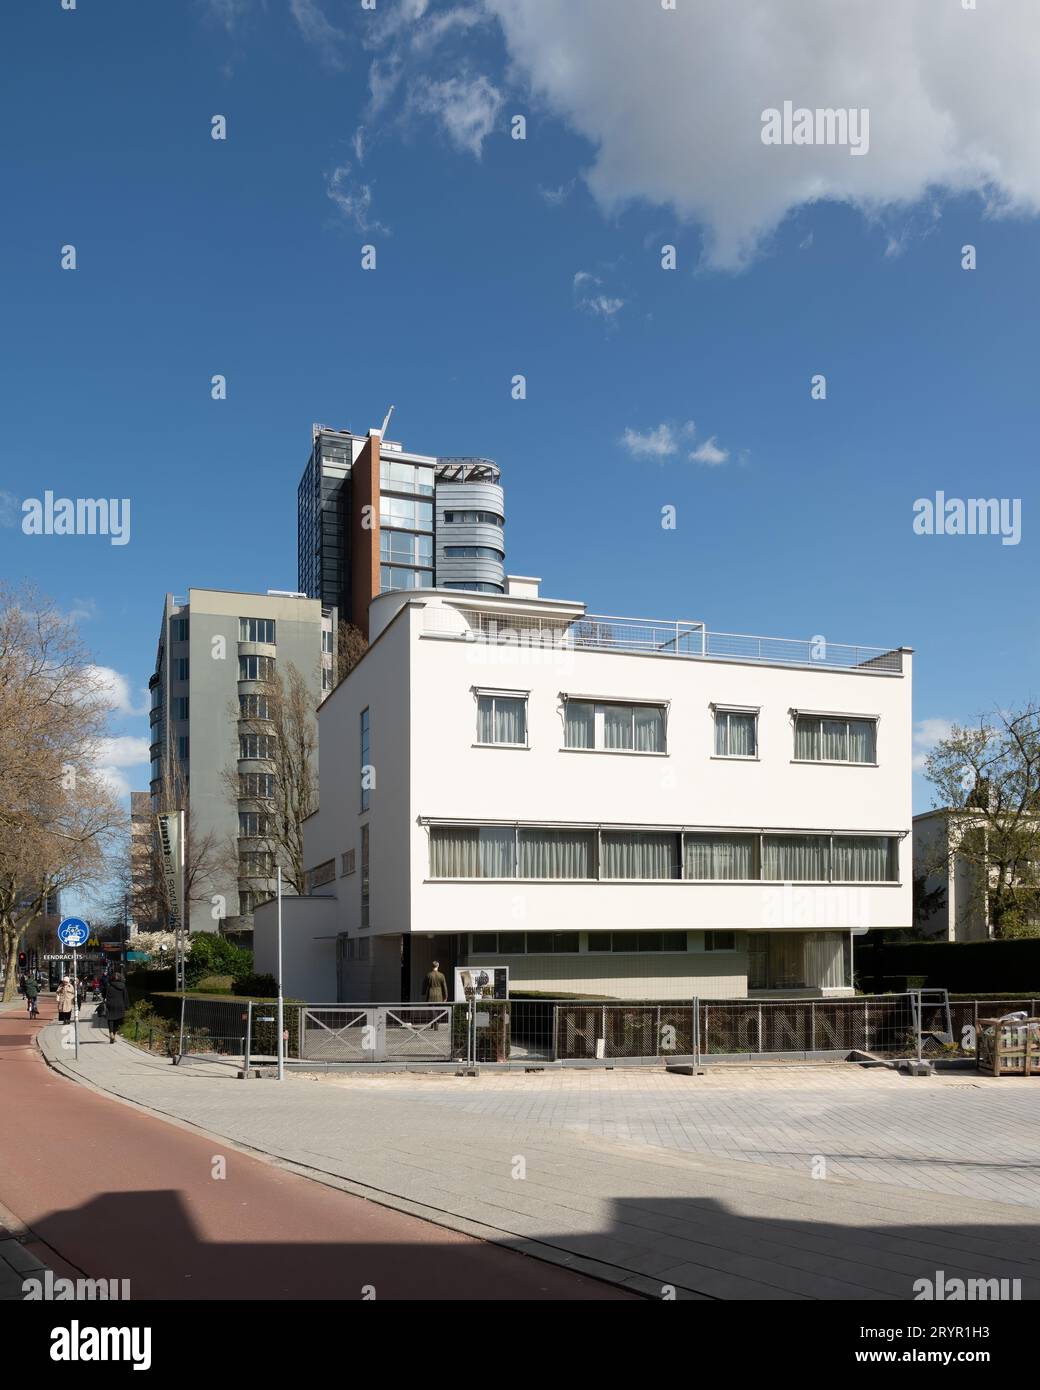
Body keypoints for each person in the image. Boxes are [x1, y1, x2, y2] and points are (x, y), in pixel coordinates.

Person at [103, 970, 129, 1043]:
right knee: (118, 1020)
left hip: (110, 1004)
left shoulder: (109, 985)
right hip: (120, 1005)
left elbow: (104, 994)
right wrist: (127, 1006)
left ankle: (111, 1033)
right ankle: (114, 1034)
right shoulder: (123, 986)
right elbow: (126, 997)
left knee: (110, 1019)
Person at [422, 959, 448, 1031]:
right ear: (438, 966)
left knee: (432, 1010)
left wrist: (423, 992)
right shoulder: (441, 975)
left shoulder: (429, 975)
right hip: (439, 995)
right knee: (437, 1011)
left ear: (432, 966)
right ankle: (435, 1023)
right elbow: (444, 987)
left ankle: (434, 1023)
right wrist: (445, 996)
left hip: (430, 994)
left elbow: (424, 985)